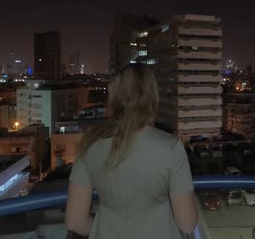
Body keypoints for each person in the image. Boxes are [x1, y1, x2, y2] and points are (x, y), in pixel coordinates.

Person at [66, 63, 198, 238]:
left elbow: (75, 221)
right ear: (153, 99)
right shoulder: (171, 147)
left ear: (115, 97)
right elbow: (187, 224)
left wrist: (101, 228)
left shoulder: (90, 144)